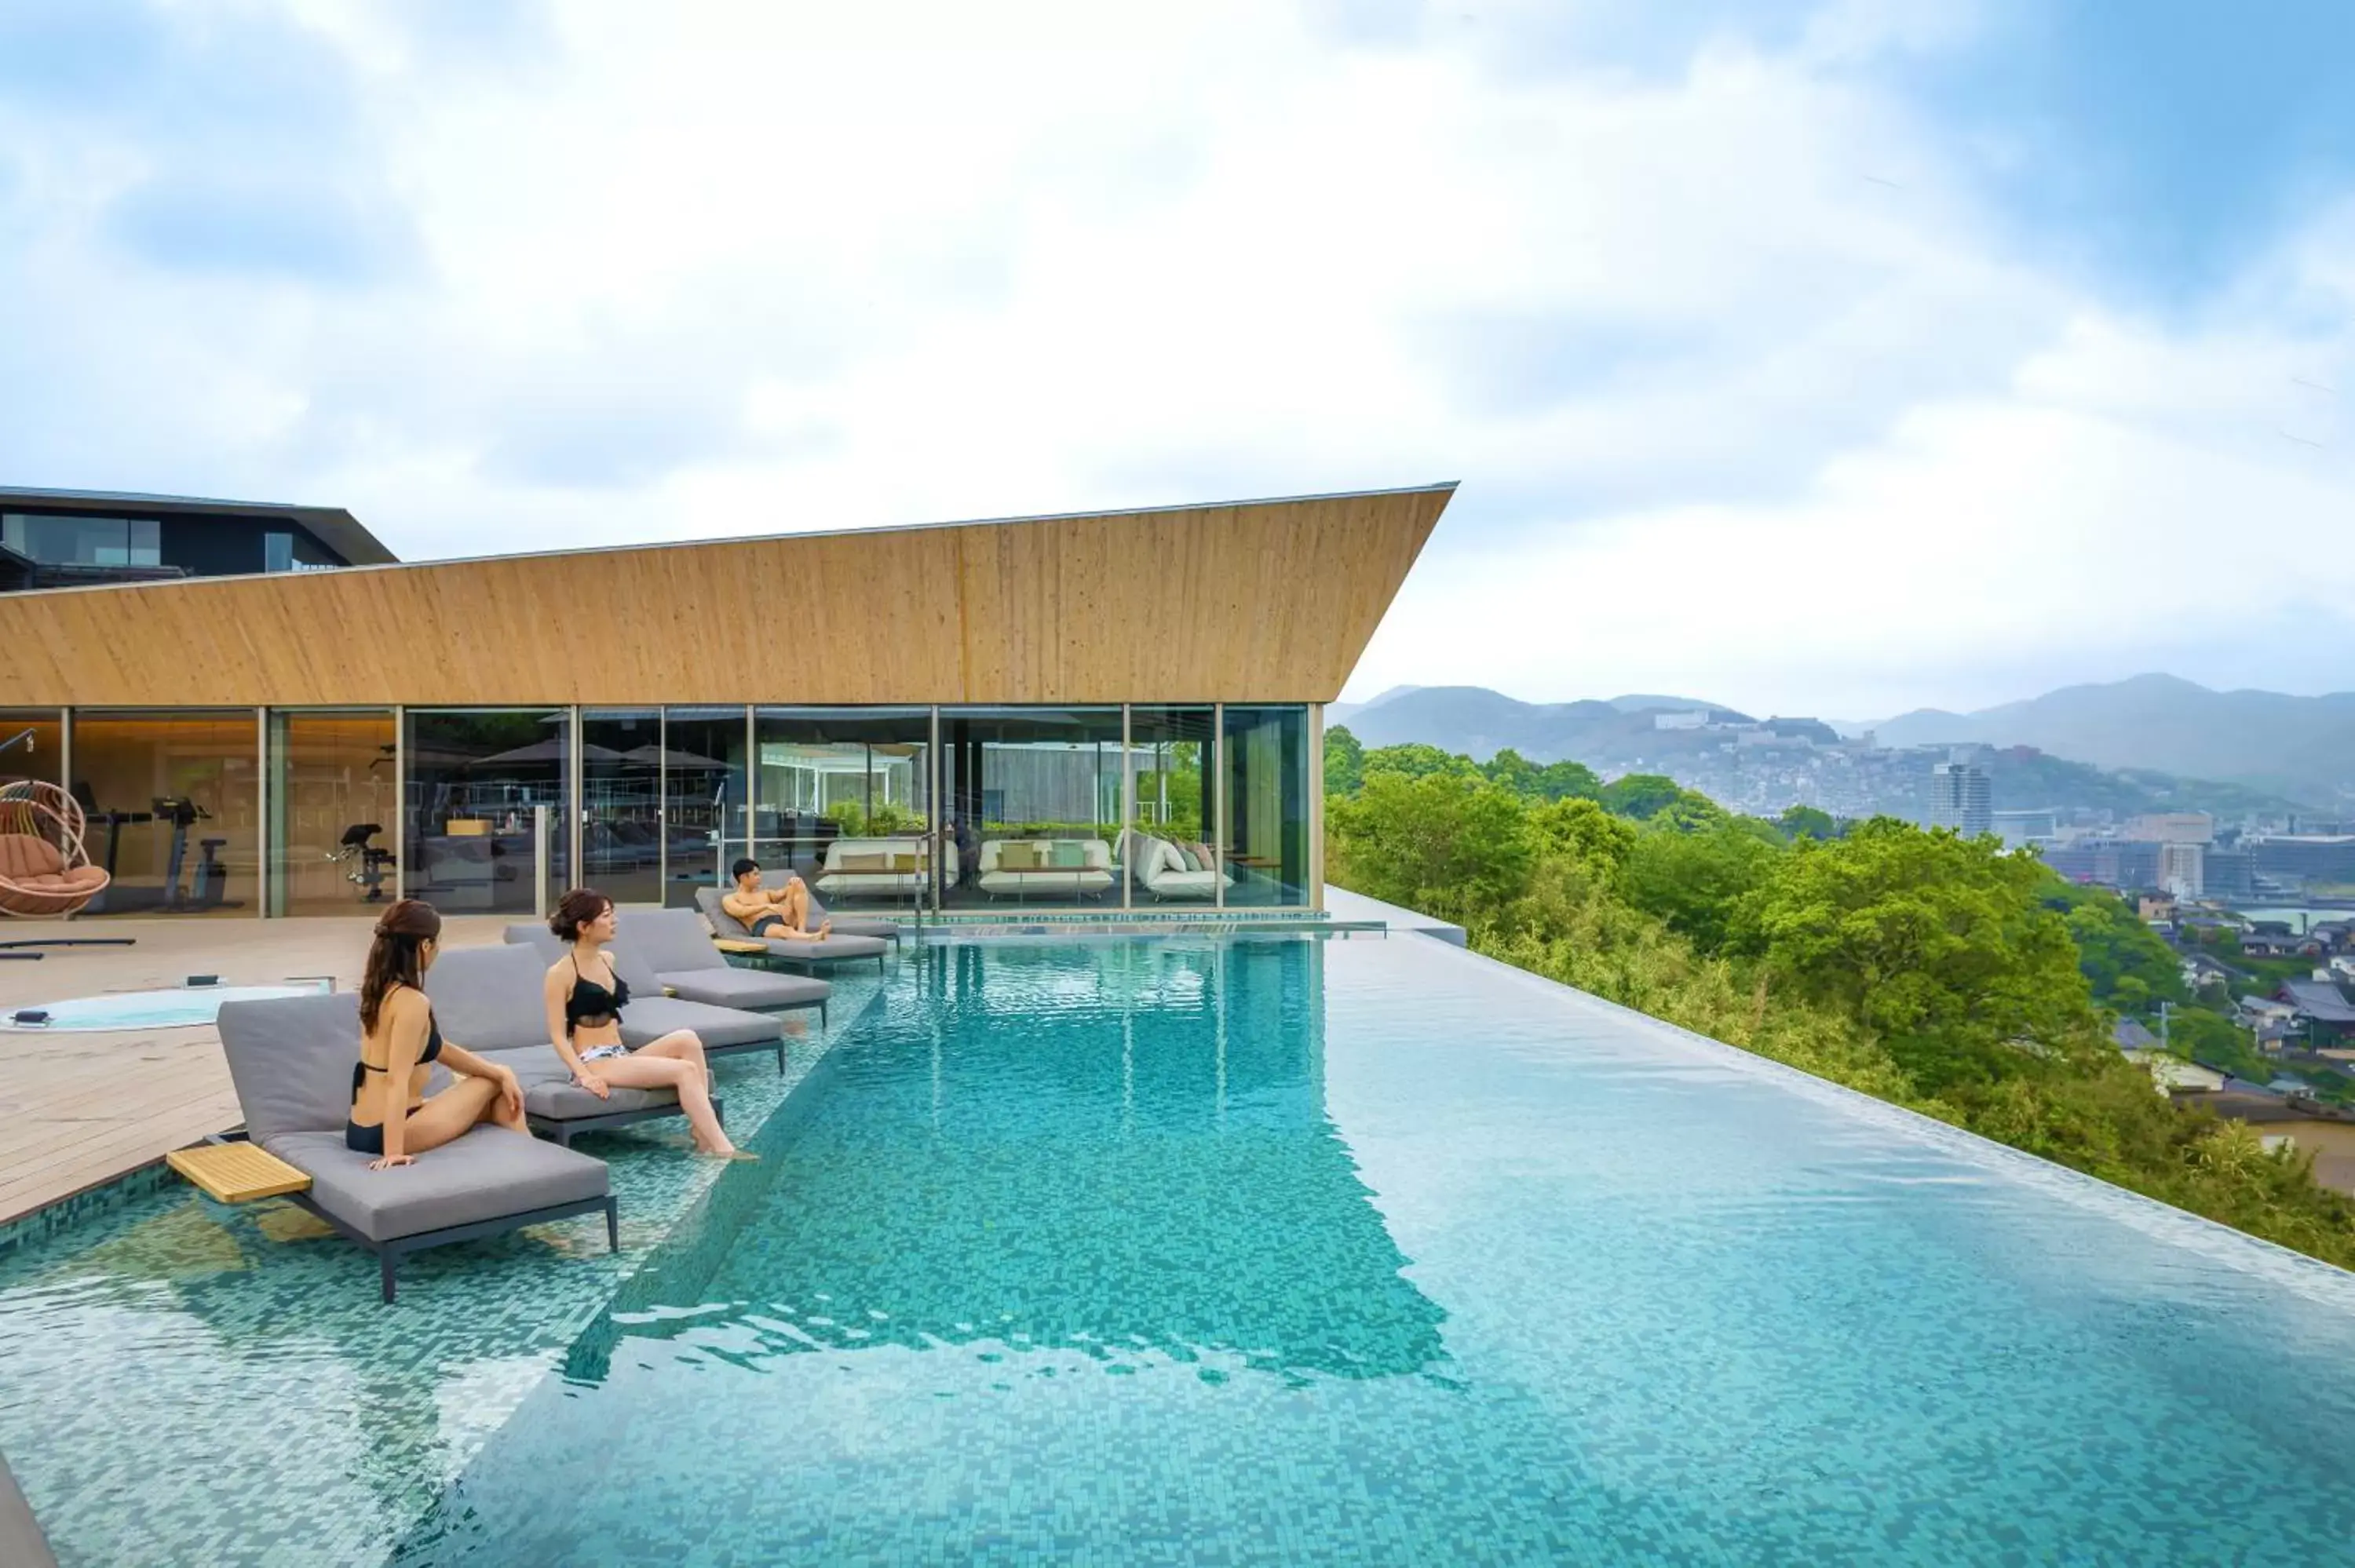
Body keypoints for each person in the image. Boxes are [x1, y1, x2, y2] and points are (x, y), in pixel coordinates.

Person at [542, 886, 749, 1159]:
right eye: (606, 915)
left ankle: (701, 1130)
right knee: (684, 1070)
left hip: (619, 1055)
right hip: (595, 1062)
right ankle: (723, 1149)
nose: (614, 920)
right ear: (584, 926)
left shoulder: (608, 959)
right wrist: (585, 1075)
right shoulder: (560, 974)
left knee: (687, 1038)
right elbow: (557, 1035)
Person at [348, 899, 527, 1171]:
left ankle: (524, 1165)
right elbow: (397, 1080)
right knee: (493, 1082)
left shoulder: (379, 991)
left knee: (496, 1095)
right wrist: (393, 1153)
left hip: (362, 1128)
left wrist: (498, 1072)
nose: (438, 950)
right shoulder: (412, 1002)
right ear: (425, 945)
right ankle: (531, 1170)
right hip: (389, 1131)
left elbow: (440, 1049)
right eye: (438, 942)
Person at [721, 857, 831, 941]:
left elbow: (782, 893)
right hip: (763, 926)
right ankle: (812, 937)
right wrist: (767, 906)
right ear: (743, 877)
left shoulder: (765, 893)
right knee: (784, 930)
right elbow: (741, 911)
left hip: (783, 919)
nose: (759, 878)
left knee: (797, 883)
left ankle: (801, 929)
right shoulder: (730, 898)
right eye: (755, 875)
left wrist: (792, 883)